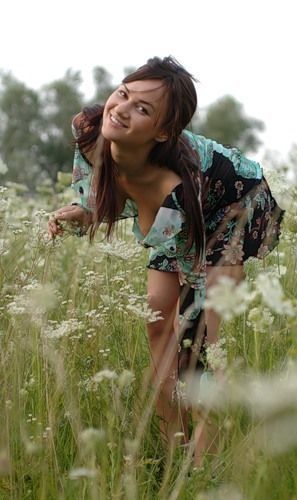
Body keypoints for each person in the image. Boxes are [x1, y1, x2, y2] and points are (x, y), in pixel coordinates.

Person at [48, 56, 284, 466]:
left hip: (233, 205)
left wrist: (194, 319)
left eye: (143, 109)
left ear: (163, 132)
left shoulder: (175, 188)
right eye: (124, 94)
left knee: (200, 343)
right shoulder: (88, 128)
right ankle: (171, 444)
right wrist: (83, 211)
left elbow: (187, 273)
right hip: (177, 216)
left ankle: (205, 464)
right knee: (157, 320)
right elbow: (103, 185)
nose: (121, 108)